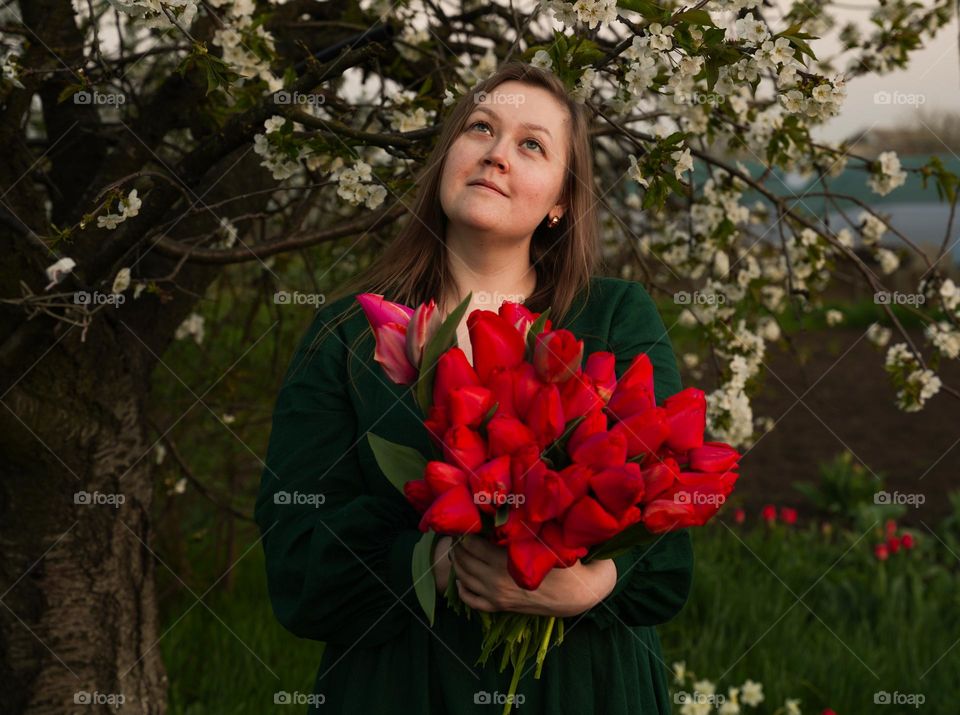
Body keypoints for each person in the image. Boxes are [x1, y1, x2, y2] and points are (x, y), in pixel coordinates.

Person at [254, 60, 693, 714]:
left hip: (584, 687)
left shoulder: (614, 317)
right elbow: (296, 564)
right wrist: (427, 563)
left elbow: (669, 531)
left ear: (561, 202)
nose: (496, 154)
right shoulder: (347, 336)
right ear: (445, 161)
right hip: (401, 686)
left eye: (531, 144)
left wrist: (593, 579)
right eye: (480, 128)